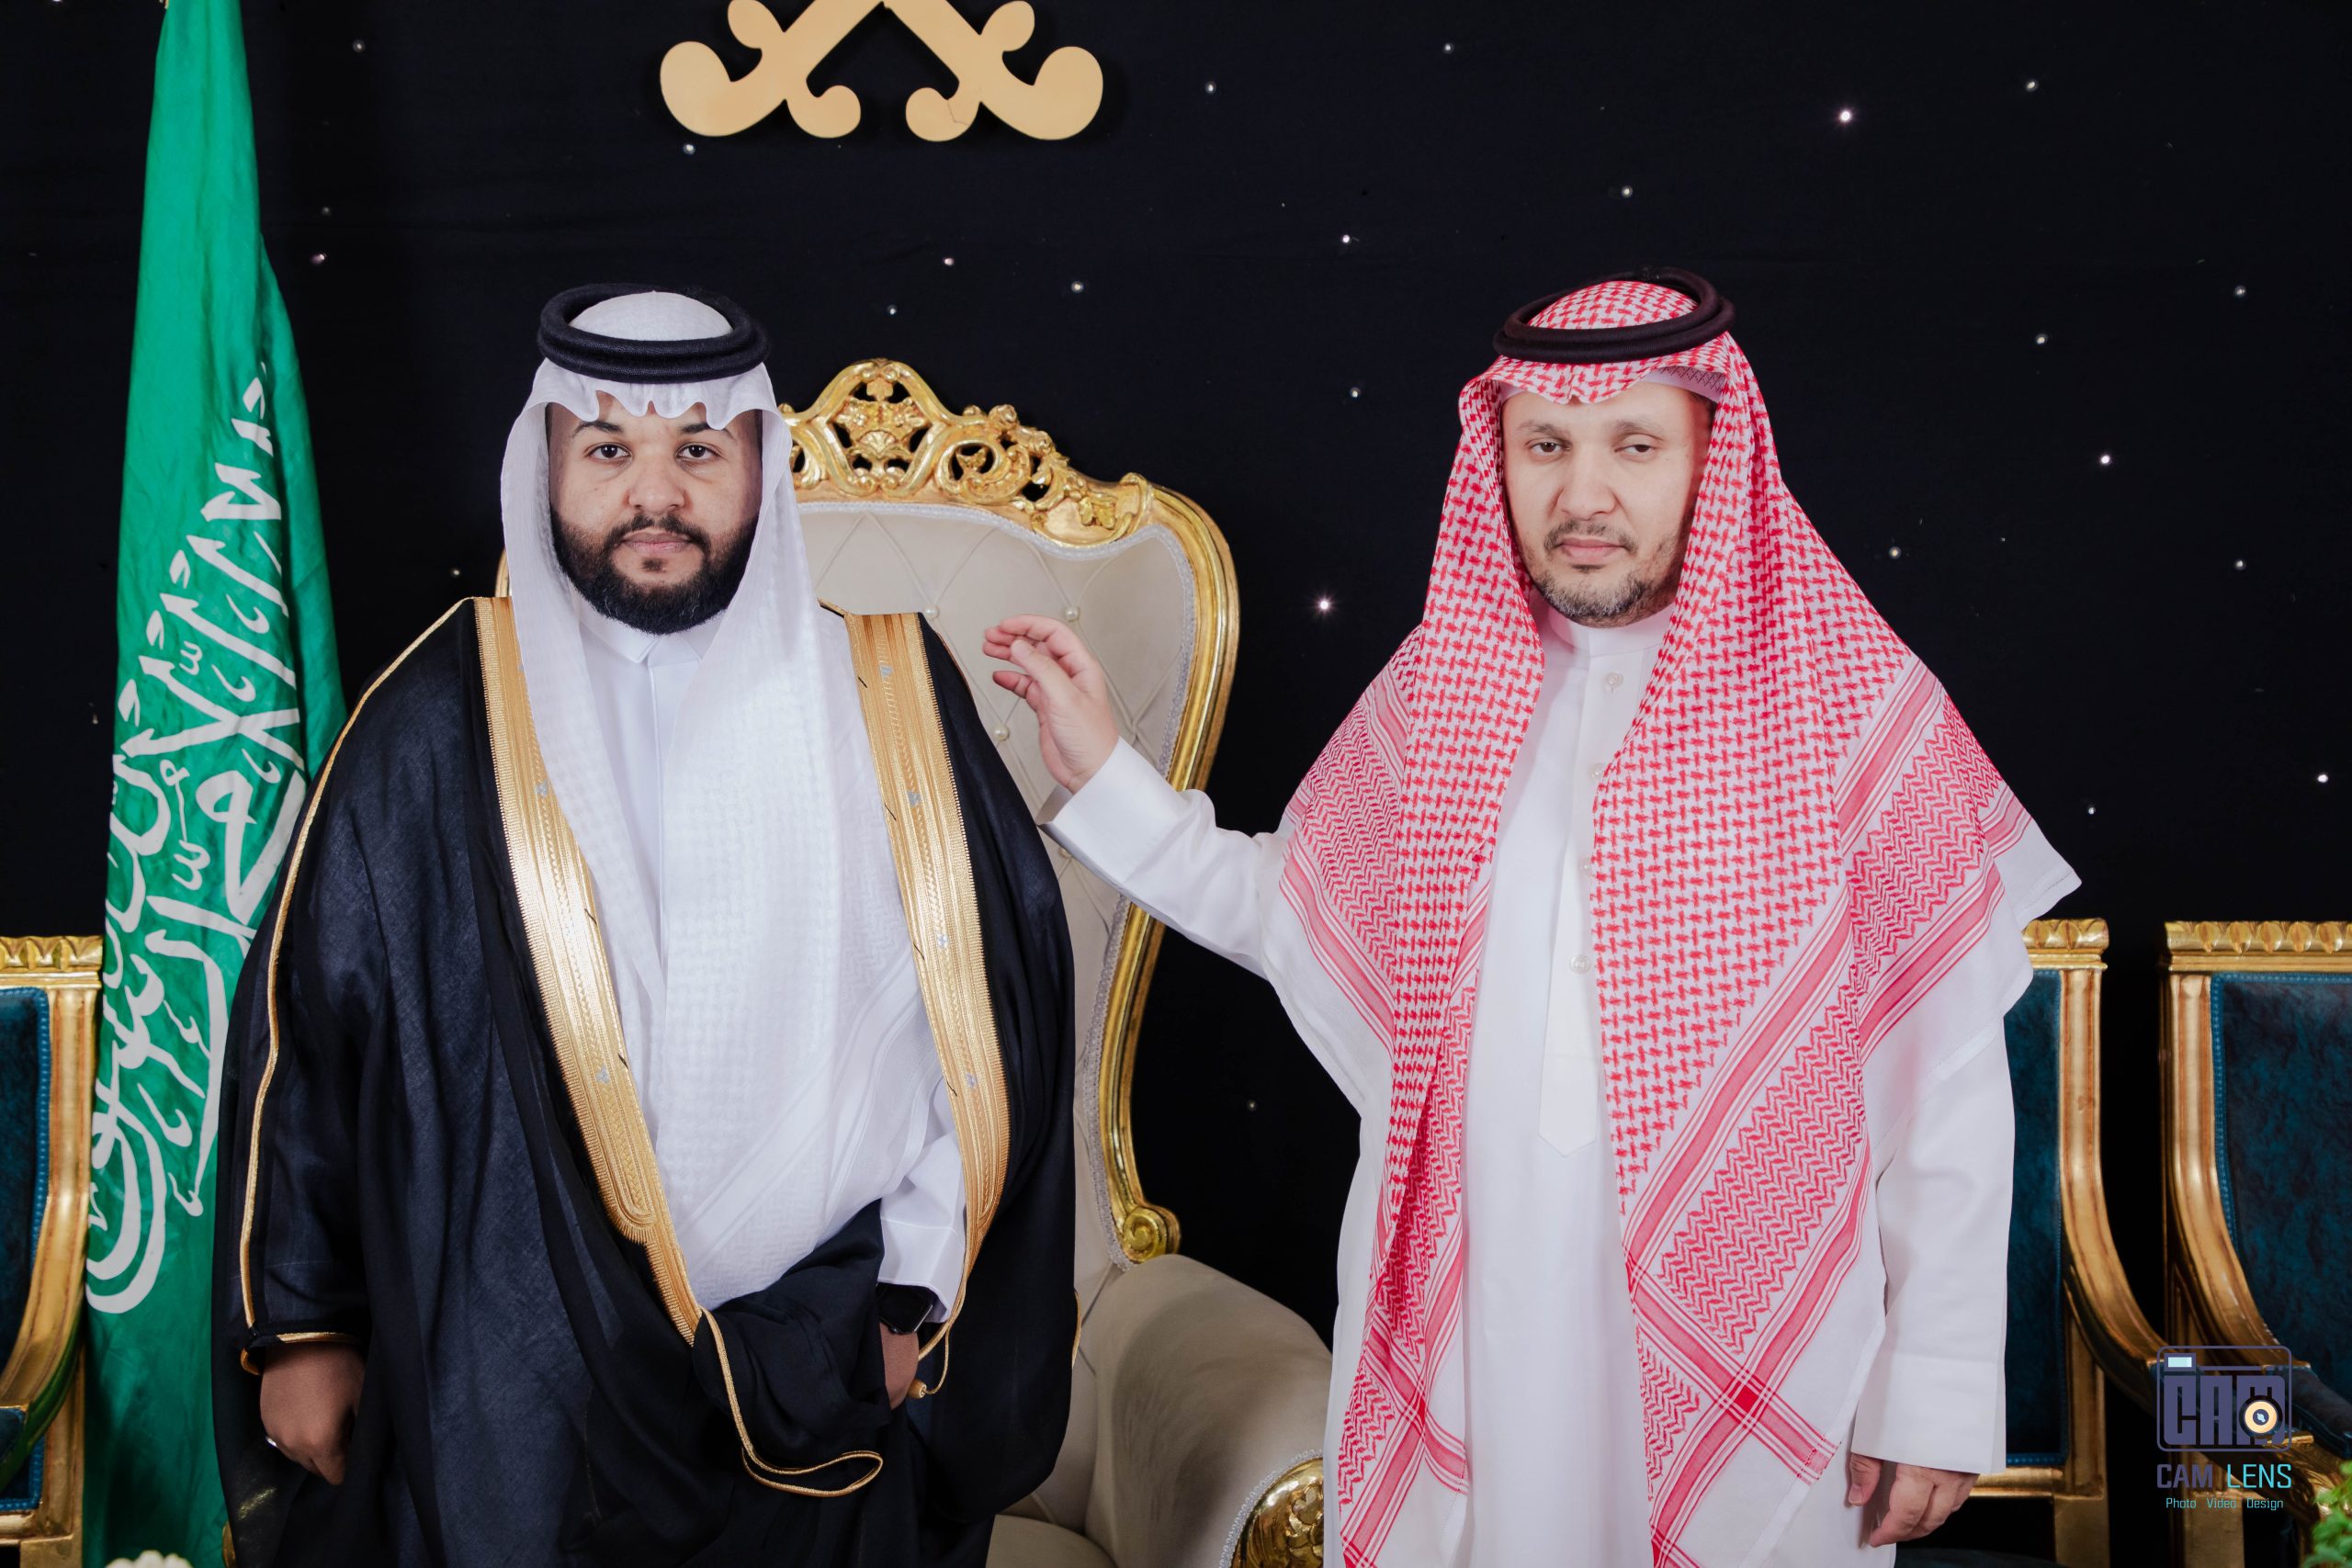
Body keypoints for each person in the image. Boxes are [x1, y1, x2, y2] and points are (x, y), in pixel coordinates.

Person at [987, 269, 2071, 1567]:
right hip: (1477, 1332)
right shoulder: (1446, 690)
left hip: (1764, 1349)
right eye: (1545, 446)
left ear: (1714, 458)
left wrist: (1933, 1390)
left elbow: (1948, 1085)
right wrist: (1105, 773)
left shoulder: (1849, 709)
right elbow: (1284, 909)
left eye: (1634, 446)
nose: (1582, 494)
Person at [212, 286, 1074, 1567]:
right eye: (610, 450)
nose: (654, 496)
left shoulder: (887, 693)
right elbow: (310, 1034)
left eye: (699, 452)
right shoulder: (439, 715)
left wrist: (913, 1299)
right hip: (518, 1376)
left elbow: (997, 1029)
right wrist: (303, 1329)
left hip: (824, 1367)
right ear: (547, 465)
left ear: (759, 468)